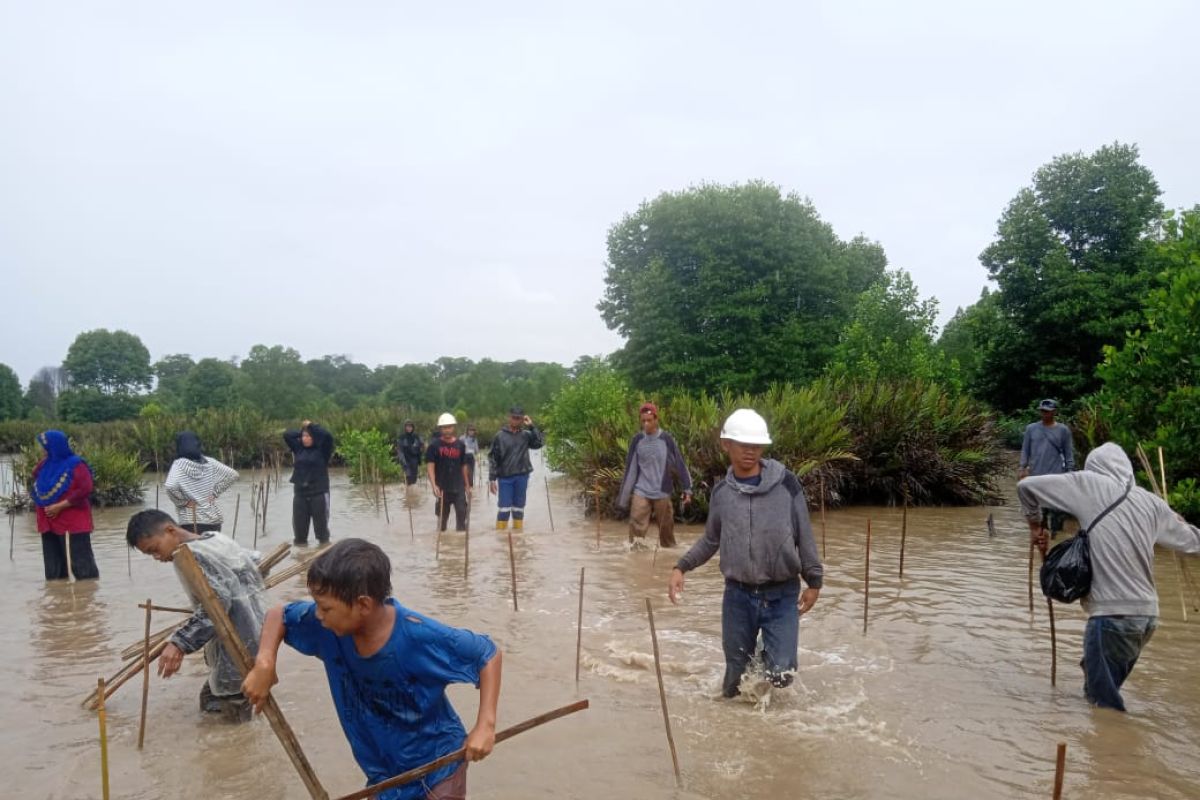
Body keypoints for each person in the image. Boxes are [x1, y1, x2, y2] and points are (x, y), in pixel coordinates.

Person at [242, 538, 502, 800]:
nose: (318, 615)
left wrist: (485, 726)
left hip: (437, 766)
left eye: (325, 608)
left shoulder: (418, 636)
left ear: (363, 605)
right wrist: (265, 662)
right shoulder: (329, 628)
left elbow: (487, 654)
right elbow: (279, 614)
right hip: (383, 776)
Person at [1019, 442, 1200, 712]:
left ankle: (1117, 751)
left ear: (1094, 467)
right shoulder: (1152, 502)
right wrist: (1179, 520)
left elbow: (1026, 487)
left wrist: (1035, 526)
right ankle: (1109, 745)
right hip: (1146, 620)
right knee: (1099, 685)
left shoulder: (1088, 484)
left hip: (1111, 616)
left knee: (1104, 707)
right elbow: (1192, 542)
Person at [667, 409, 823, 698]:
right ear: (726, 444)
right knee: (735, 682)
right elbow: (711, 539)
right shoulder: (722, 492)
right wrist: (681, 567)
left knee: (781, 673)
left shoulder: (787, 484)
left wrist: (814, 581)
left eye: (757, 446)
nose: (751, 452)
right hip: (738, 596)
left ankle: (769, 653)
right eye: (743, 445)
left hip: (781, 593)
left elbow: (805, 534)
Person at [126, 509, 267, 720]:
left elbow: (217, 604)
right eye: (150, 555)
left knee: (231, 713)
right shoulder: (216, 539)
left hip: (236, 645)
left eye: (154, 549)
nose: (156, 557)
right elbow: (255, 561)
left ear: (170, 530)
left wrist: (179, 643)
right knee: (215, 701)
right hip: (254, 634)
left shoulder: (192, 555)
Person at [616, 402, 693, 548]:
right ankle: (637, 563)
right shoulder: (637, 440)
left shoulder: (666, 439)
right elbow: (630, 470)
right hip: (642, 490)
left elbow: (680, 464)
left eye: (649, 420)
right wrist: (623, 500)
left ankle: (667, 560)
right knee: (635, 534)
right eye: (643, 421)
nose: (646, 424)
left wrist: (687, 489)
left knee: (667, 537)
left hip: (662, 491)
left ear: (656, 420)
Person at [31, 430, 99, 580]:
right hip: (49, 522)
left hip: (72, 523)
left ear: (55, 446)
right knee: (54, 568)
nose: (42, 449)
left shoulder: (76, 465)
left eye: (44, 446)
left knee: (82, 566)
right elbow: (36, 478)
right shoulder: (44, 465)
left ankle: (87, 598)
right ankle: (58, 600)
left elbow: (85, 489)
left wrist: (60, 506)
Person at [163, 431, 239, 533]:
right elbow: (233, 474)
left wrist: (183, 502)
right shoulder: (209, 462)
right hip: (213, 520)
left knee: (195, 549)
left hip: (191, 521)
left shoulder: (179, 465)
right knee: (213, 548)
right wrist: (215, 493)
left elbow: (170, 486)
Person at [1020, 399, 1075, 535]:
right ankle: (1042, 536)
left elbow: (1068, 453)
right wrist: (1022, 468)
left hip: (1056, 476)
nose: (1044, 414)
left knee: (1056, 510)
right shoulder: (1031, 429)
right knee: (1039, 511)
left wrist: (1070, 473)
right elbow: (1025, 450)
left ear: (1054, 412)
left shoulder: (1063, 430)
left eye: (1047, 411)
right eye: (1042, 411)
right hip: (1036, 475)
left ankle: (1056, 536)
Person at [488, 406, 545, 531]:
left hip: (522, 476)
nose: (516, 421)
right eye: (514, 418)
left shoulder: (526, 435)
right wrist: (492, 479)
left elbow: (540, 443)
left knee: (519, 507)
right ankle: (501, 538)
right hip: (505, 477)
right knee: (504, 508)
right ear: (509, 418)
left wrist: (531, 426)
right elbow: (493, 458)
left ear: (522, 420)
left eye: (519, 418)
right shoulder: (500, 436)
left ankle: (518, 537)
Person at [283, 420, 335, 546]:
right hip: (300, 495)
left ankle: (322, 554)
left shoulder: (322, 451)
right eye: (303, 436)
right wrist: (303, 430)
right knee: (299, 535)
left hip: (319, 494)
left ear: (314, 437)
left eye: (308, 436)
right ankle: (301, 558)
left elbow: (327, 436)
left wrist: (311, 426)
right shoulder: (298, 449)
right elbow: (287, 435)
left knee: (322, 533)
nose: (305, 439)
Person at [426, 413, 474, 532]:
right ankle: (442, 546)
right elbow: (430, 467)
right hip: (442, 488)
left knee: (462, 518)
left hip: (459, 488)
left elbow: (464, 467)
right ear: (440, 429)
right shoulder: (434, 446)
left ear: (453, 427)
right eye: (444, 427)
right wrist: (434, 485)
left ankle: (459, 546)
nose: (447, 430)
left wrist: (468, 486)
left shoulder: (460, 445)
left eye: (449, 427)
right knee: (442, 522)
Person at [397, 421, 424, 487]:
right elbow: (400, 451)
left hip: (414, 460)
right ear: (405, 427)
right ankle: (407, 493)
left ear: (412, 428)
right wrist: (403, 462)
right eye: (407, 426)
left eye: (410, 427)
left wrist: (420, 459)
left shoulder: (416, 437)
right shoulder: (402, 437)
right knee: (408, 476)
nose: (409, 428)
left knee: (414, 479)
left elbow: (421, 447)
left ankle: (411, 494)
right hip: (406, 460)